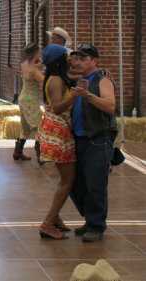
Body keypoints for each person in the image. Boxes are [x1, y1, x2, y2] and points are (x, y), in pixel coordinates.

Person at [69, 44, 117, 242]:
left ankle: (96, 226)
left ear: (94, 61)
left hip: (98, 139)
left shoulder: (102, 79)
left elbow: (110, 106)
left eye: (84, 58)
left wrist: (88, 96)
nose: (79, 61)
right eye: (78, 58)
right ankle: (90, 219)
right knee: (78, 183)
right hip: (80, 139)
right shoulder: (81, 80)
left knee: (95, 184)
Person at [37, 44, 77, 239]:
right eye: (67, 57)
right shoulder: (55, 80)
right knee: (67, 181)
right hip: (59, 132)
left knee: (64, 180)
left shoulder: (57, 78)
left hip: (57, 130)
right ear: (60, 60)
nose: (71, 60)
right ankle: (47, 223)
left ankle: (56, 218)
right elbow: (58, 107)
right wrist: (75, 96)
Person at [13, 43, 44, 162]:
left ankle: (18, 152)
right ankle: (40, 154)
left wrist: (39, 65)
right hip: (31, 100)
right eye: (39, 52)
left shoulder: (24, 64)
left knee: (25, 127)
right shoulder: (34, 70)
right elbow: (44, 80)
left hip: (23, 98)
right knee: (40, 126)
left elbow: (32, 70)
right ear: (35, 53)